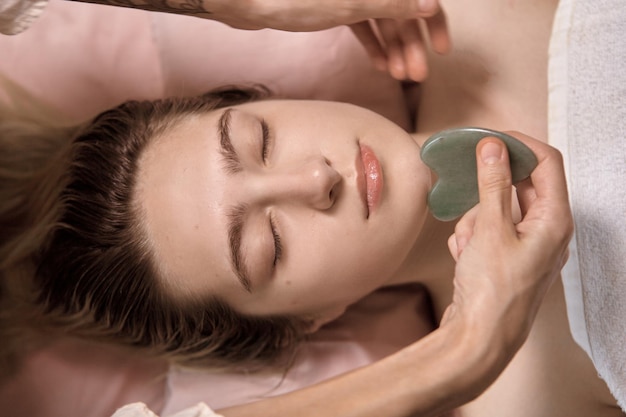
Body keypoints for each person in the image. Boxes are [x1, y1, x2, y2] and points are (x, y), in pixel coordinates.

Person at [0, 1, 622, 417]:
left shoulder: (470, 10)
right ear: (307, 321)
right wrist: (469, 350)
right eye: (269, 244)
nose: (315, 180)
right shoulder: (524, 397)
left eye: (260, 141)